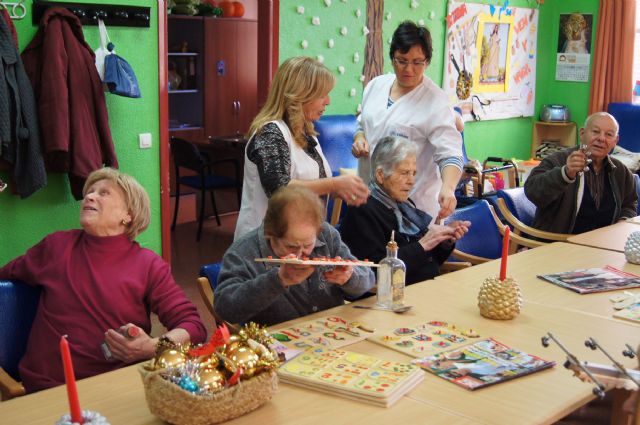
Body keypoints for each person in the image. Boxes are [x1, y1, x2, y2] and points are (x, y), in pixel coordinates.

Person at [0, 168, 207, 393]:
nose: (89, 196)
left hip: (117, 386)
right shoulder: (56, 246)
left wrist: (151, 347)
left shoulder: (148, 265)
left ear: (128, 214)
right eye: (90, 192)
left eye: (104, 193)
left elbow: (193, 327)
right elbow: (5, 274)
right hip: (48, 389)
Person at [234, 56, 369, 240]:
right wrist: (334, 184)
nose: (328, 101)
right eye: (322, 95)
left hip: (297, 242)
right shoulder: (270, 133)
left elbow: (311, 184)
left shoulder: (307, 132)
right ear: (300, 94)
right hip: (266, 244)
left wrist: (338, 190)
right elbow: (280, 190)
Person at [351, 21, 463, 220]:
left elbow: (450, 153)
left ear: (427, 61)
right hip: (369, 198)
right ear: (392, 57)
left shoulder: (435, 101)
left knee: (403, 252)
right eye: (402, 60)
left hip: (412, 207)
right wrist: (359, 138)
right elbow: (362, 124)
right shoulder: (375, 86)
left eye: (417, 62)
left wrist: (448, 188)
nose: (408, 69)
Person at [216, 186, 375, 326]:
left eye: (308, 245)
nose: (300, 254)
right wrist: (278, 280)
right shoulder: (243, 252)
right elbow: (225, 309)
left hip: (331, 333)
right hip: (278, 345)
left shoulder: (327, 235)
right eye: (291, 246)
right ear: (270, 234)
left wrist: (349, 277)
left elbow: (368, 279)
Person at [341, 137, 470, 285]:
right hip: (392, 297)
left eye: (413, 173)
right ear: (380, 175)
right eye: (404, 173)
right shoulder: (362, 209)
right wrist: (423, 244)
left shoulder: (404, 205)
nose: (411, 181)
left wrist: (444, 240)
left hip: (423, 287)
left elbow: (429, 260)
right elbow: (375, 270)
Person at [524, 112, 637, 234]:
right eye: (595, 131)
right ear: (582, 134)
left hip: (604, 244)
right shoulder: (558, 160)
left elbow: (629, 204)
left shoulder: (620, 170)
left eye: (609, 134)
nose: (601, 138)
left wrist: (622, 223)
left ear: (615, 141)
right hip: (557, 243)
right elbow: (532, 191)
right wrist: (565, 173)